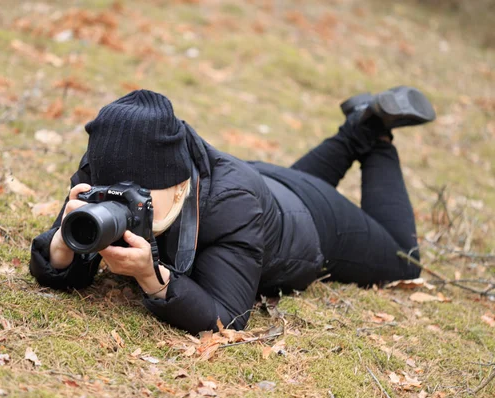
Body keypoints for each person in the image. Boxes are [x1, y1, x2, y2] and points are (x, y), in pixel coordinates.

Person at [29, 87, 436, 335]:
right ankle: (356, 129)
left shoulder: (232, 206)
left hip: (314, 220)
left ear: (181, 184)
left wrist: (153, 279)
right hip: (264, 191)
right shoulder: (101, 173)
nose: (123, 206)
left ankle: (376, 131)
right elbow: (67, 253)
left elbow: (227, 315)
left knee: (406, 261)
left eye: (141, 197)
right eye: (112, 194)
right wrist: (63, 247)